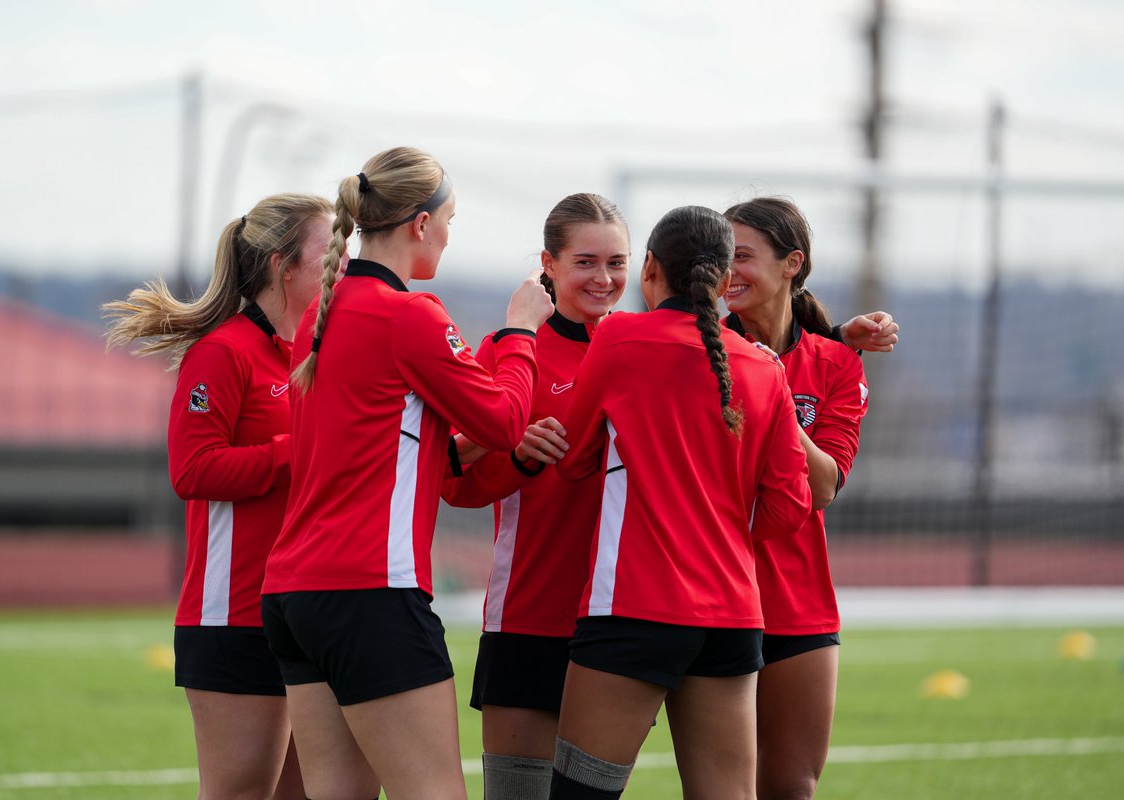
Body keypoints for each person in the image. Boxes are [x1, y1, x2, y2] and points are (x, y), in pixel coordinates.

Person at [259, 146, 554, 800]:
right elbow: (502, 422)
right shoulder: (410, 315)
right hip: (370, 592)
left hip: (294, 594)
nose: (450, 234)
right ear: (420, 224)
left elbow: (387, 446)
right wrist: (520, 333)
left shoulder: (323, 311)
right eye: (450, 219)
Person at [103, 193, 365, 800]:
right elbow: (192, 471)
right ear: (284, 266)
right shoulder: (222, 353)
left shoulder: (317, 356)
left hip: (308, 612)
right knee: (240, 791)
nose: (342, 267)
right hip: (234, 615)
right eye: (331, 253)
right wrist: (297, 448)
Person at [550, 205, 813, 800]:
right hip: (731, 615)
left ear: (649, 269)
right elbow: (788, 508)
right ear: (724, 282)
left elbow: (573, 460)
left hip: (632, 609)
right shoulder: (766, 370)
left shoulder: (618, 337)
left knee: (579, 793)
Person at [442, 193, 630, 800]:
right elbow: (457, 485)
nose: (603, 279)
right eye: (585, 262)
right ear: (546, 264)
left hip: (625, 615)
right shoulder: (510, 349)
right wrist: (520, 457)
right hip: (533, 610)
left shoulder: (639, 347)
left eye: (617, 262)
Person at [722, 197, 869, 800]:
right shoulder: (698, 348)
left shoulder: (836, 362)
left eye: (745, 256)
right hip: (713, 594)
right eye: (722, 256)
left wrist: (771, 388)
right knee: (722, 787)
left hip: (798, 601)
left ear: (792, 264)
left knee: (790, 786)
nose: (729, 269)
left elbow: (825, 485)